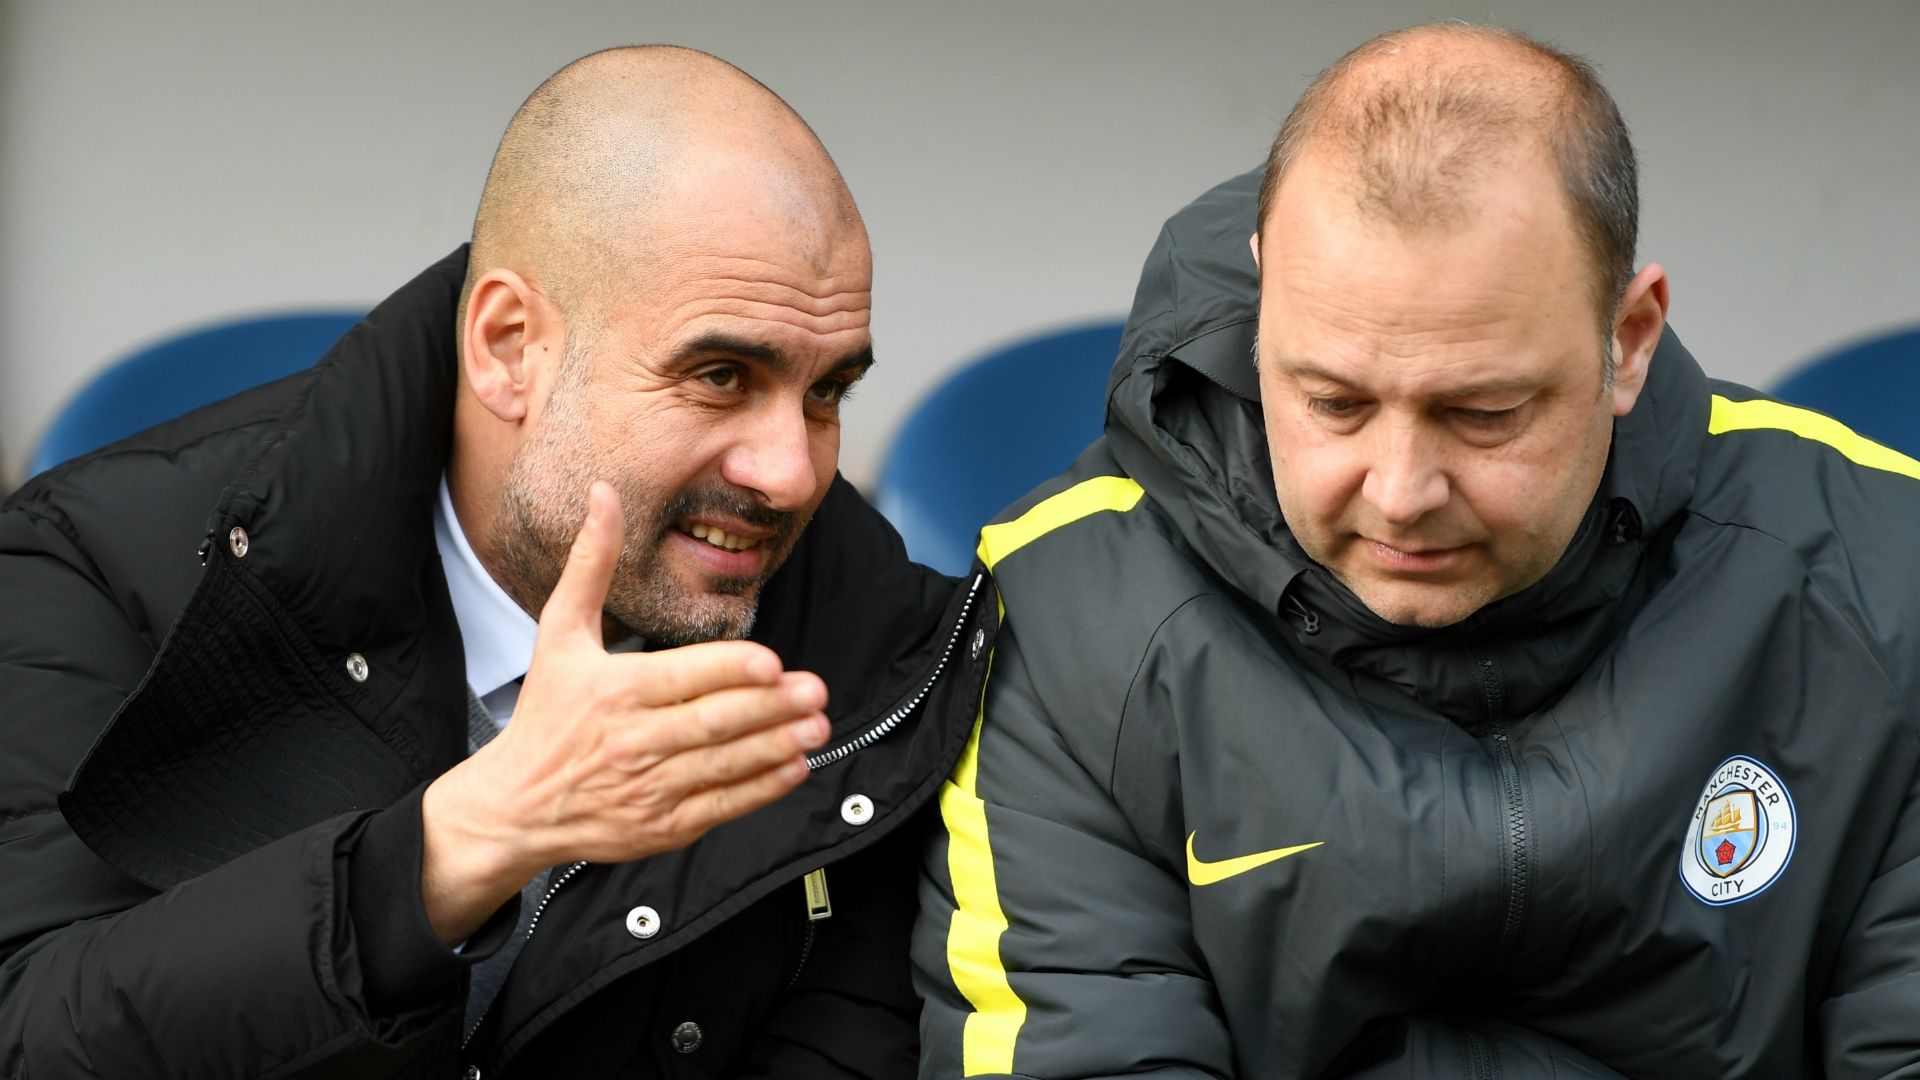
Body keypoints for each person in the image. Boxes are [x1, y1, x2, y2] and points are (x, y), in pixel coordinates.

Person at [915, 24, 1920, 1079]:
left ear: (1626, 340)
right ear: (1264, 307)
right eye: (1333, 402)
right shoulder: (1063, 617)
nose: (1399, 494)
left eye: (1484, 413)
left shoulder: (1882, 564)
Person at [0, 47, 995, 1078]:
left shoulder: (884, 666)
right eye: (718, 373)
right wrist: (458, 843)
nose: (791, 473)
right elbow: (28, 1028)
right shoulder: (99, 564)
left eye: (828, 391)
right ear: (510, 346)